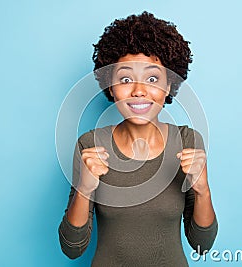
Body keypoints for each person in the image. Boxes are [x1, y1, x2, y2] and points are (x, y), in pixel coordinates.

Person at [58, 11, 218, 266]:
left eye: (152, 78)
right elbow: (72, 249)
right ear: (110, 86)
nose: (139, 90)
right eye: (125, 79)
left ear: (168, 86)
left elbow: (202, 244)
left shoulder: (188, 141)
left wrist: (202, 190)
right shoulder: (91, 146)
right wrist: (84, 189)